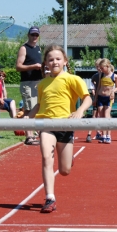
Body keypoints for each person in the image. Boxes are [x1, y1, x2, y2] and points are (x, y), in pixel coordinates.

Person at [26, 44, 92, 213]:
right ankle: (50, 198)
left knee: (64, 171)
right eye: (50, 59)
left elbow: (87, 99)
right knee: (46, 157)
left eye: (57, 59)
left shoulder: (72, 79)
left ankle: (68, 159)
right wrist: (27, 118)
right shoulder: (42, 84)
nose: (54, 62)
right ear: (45, 63)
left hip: (65, 125)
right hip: (46, 125)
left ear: (65, 61)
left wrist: (79, 110)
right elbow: (39, 105)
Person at [16, 26, 42, 145]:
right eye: (32, 35)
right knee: (28, 109)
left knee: (36, 108)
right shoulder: (24, 48)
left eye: (36, 35)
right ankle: (29, 136)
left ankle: (33, 133)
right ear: (28, 35)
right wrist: (34, 66)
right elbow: (18, 66)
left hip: (38, 83)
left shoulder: (38, 48)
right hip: (27, 83)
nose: (34, 37)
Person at [96, 58, 117, 144]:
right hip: (100, 96)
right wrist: (95, 98)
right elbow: (99, 86)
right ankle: (103, 136)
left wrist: (113, 91)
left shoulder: (115, 76)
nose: (101, 70)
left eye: (102, 68)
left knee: (107, 116)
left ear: (107, 66)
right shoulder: (101, 75)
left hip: (108, 98)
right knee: (102, 117)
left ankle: (108, 136)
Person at [86, 58, 103, 143]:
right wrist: (94, 95)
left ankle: (102, 134)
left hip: (104, 98)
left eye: (99, 66)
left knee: (102, 116)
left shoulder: (106, 76)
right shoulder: (94, 76)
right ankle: (89, 134)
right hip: (97, 98)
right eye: (97, 67)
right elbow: (92, 87)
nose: (98, 68)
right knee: (94, 116)